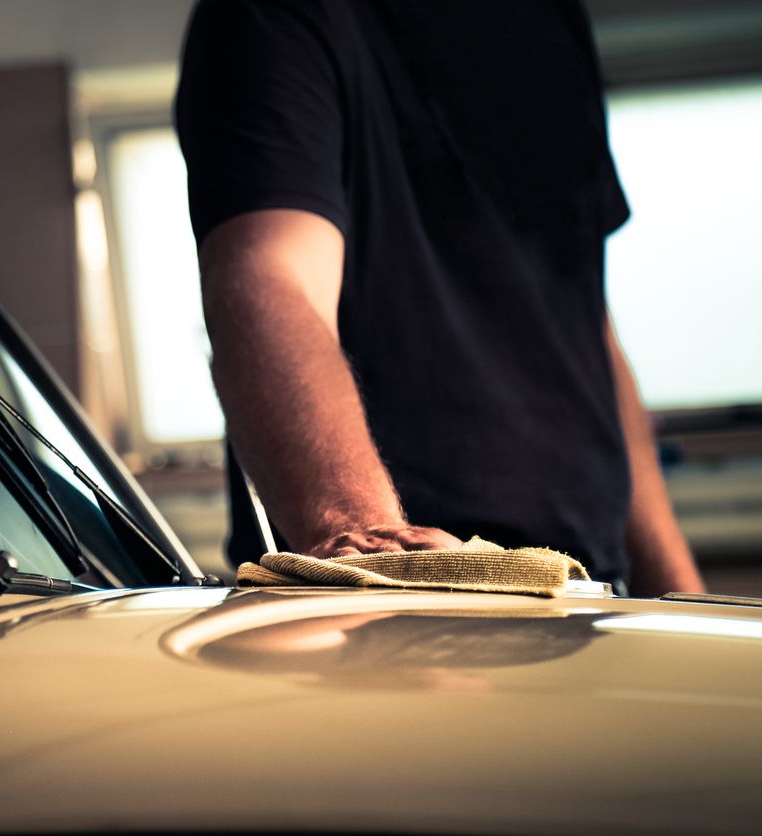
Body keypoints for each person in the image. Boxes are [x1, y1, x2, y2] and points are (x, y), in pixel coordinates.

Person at [174, 0, 705, 596]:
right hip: (415, 605)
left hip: (590, 591)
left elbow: (587, 333)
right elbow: (270, 276)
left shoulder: (554, 21)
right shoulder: (271, 17)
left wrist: (684, 596)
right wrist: (372, 542)